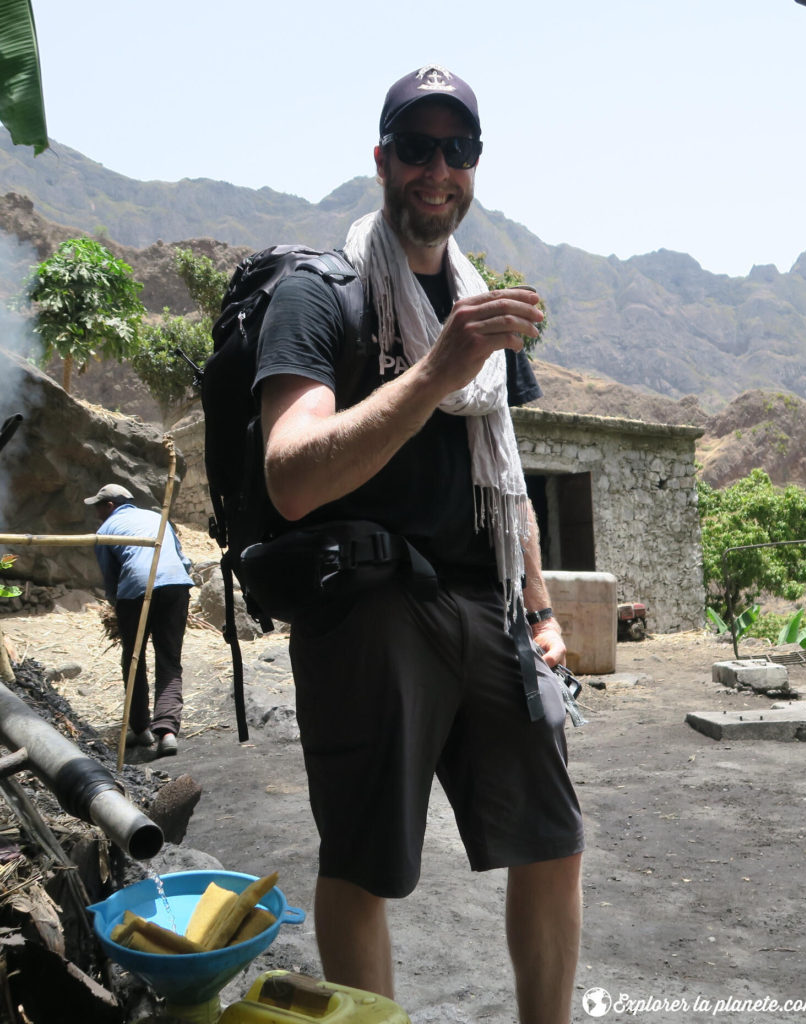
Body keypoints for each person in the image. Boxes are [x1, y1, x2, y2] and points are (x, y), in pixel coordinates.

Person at [255, 64, 584, 1024]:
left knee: (554, 840)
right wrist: (441, 366)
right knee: (364, 865)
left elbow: (509, 476)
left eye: (458, 150)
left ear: (474, 168)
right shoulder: (318, 296)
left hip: (490, 605)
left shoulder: (486, 306)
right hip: (370, 609)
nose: (436, 169)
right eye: (416, 148)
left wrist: (541, 606)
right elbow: (291, 474)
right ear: (382, 160)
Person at [85, 483, 193, 758]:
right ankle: (167, 731)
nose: (95, 511)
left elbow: (111, 578)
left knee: (133, 658)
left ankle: (141, 728)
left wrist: (115, 604)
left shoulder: (105, 530)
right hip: (176, 584)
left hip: (135, 591)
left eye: (98, 505)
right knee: (169, 659)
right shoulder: (157, 518)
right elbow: (183, 559)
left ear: (110, 506)